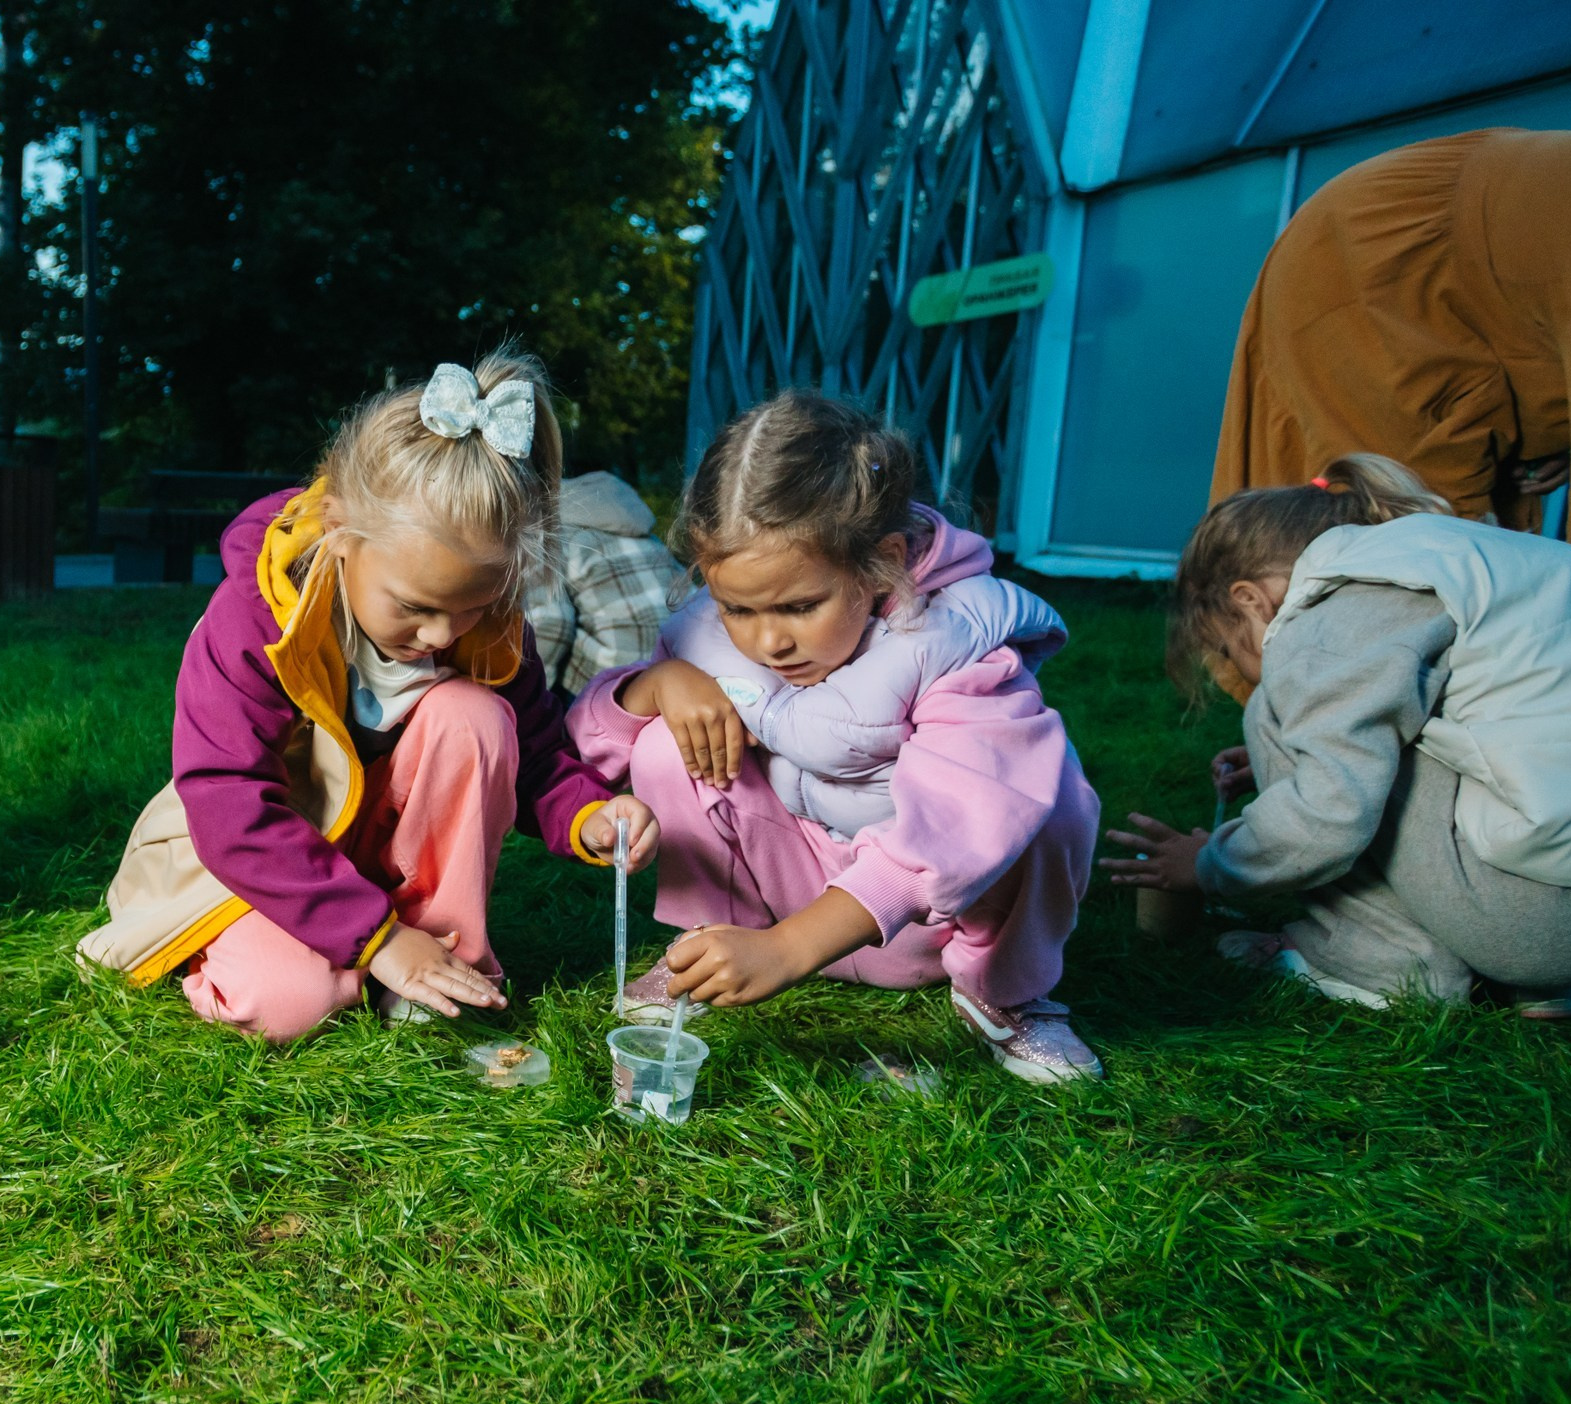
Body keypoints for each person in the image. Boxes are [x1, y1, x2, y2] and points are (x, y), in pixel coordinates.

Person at [79, 353, 658, 1042]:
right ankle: (311, 945)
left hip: (369, 856)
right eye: (415, 606)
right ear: (339, 530)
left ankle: (443, 958)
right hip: (262, 860)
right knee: (286, 1002)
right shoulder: (257, 617)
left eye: (472, 607)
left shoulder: (492, 627)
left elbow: (534, 754)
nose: (441, 634)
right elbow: (230, 801)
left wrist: (587, 814)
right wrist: (376, 937)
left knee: (474, 715)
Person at [565, 392, 1104, 1083]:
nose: (769, 640)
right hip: (789, 890)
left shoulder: (957, 641)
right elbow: (588, 745)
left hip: (923, 925)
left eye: (800, 606)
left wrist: (790, 950)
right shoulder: (713, 630)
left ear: (882, 560)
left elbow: (959, 824)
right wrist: (659, 685)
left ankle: (1005, 992)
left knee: (1043, 791)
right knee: (667, 740)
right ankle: (708, 945)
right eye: (737, 609)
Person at [1104, 454, 1571, 1016]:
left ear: (1250, 600)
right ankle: (1539, 987)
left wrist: (1207, 865)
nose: (1237, 667)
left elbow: (1329, 814)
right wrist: (1308, 742)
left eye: (1227, 649)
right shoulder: (1473, 560)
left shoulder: (1329, 613)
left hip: (1549, 920)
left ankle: (1382, 963)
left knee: (1272, 708)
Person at [1213, 127, 1571, 614]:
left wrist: (1565, 422)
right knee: (1406, 555)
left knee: (1456, 570)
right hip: (1379, 262)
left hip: (1432, 247)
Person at [524, 469, 688, 698]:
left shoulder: (551, 534)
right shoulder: (637, 529)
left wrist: (527, 698)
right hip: (682, 670)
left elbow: (550, 626)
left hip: (610, 685)